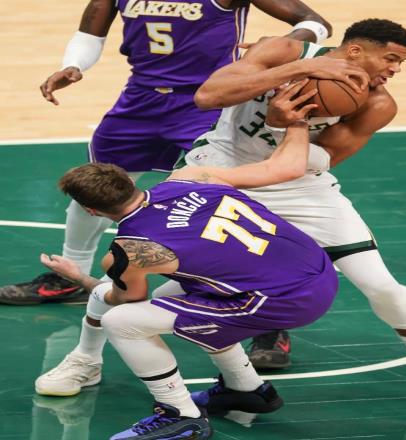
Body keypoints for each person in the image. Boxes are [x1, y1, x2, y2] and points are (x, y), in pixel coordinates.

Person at [180, 18, 406, 420]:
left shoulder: (377, 104)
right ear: (354, 51)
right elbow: (208, 96)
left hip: (298, 184)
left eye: (401, 63)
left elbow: (326, 158)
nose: (395, 70)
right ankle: (227, 379)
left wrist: (289, 124)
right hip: (221, 170)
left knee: (381, 285)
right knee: (173, 281)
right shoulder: (284, 52)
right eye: (390, 58)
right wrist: (301, 69)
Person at [0, 0, 362, 305]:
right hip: (139, 99)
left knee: (230, 200)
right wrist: (74, 65)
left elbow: (315, 23)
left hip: (205, 103)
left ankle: (263, 307)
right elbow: (90, 34)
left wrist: (280, 47)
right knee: (93, 190)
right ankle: (70, 276)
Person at [39, 116, 338, 439]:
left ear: (91, 210)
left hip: (285, 300)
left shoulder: (131, 249)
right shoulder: (192, 177)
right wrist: (296, 124)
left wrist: (79, 277)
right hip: (316, 268)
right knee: (173, 300)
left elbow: (127, 301)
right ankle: (246, 388)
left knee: (122, 322)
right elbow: (277, 169)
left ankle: (179, 416)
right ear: (127, 181)